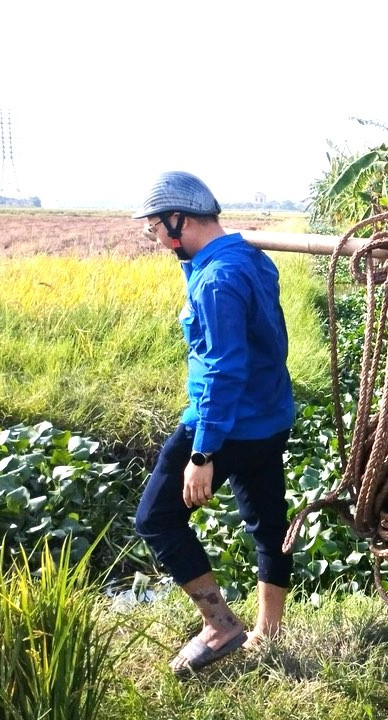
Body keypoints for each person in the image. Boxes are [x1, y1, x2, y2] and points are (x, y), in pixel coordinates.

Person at [131, 171, 295, 676]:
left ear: (179, 220)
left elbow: (223, 368)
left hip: (225, 423)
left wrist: (202, 454)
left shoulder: (219, 279)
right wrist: (191, 260)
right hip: (270, 417)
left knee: (156, 519)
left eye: (155, 227)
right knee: (267, 522)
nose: (154, 238)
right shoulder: (244, 258)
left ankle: (220, 625)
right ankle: (267, 634)